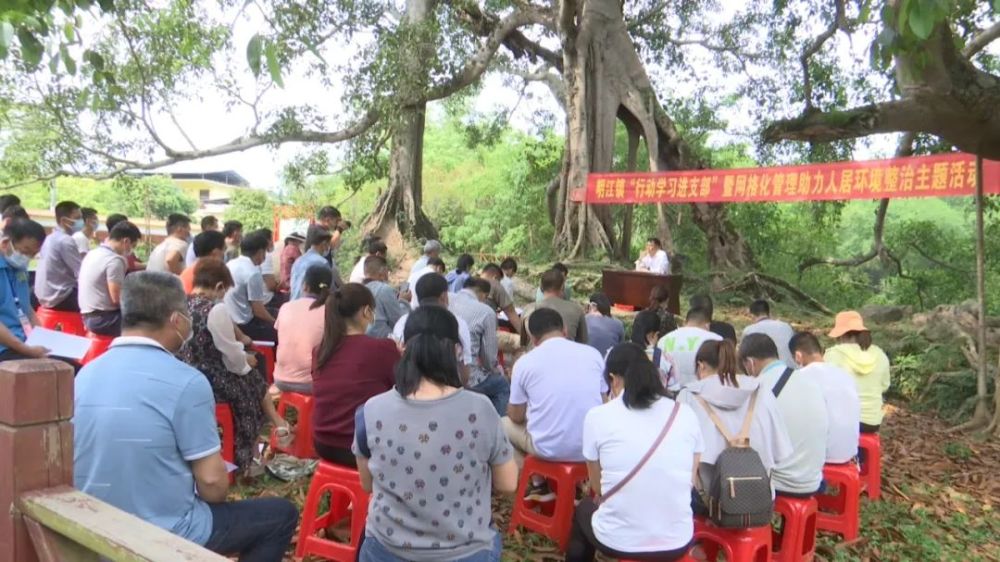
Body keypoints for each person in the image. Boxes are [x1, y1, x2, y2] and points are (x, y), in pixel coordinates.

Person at [74, 272, 298, 560]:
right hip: (161, 534)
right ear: (176, 320)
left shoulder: (86, 374)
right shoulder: (186, 381)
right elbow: (213, 486)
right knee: (280, 516)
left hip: (92, 527)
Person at [353, 305, 518, 562]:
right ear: (456, 350)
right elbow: (508, 484)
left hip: (386, 550)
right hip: (466, 551)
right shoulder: (481, 408)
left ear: (403, 347)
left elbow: (367, 484)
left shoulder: (371, 410)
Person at [567, 343, 703, 562]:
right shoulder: (685, 414)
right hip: (677, 539)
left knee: (584, 509)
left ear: (614, 378)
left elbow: (597, 487)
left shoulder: (599, 416)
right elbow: (690, 481)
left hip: (618, 541)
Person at [181, 259, 290, 478]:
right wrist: (246, 361)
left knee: (253, 378)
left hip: (188, 373)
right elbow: (231, 354)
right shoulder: (215, 309)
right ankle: (248, 455)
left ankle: (275, 427)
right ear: (219, 286)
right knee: (254, 382)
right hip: (213, 379)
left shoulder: (183, 304)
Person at [505, 308, 607, 497]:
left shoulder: (525, 363)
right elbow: (603, 403)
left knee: (502, 424)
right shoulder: (593, 354)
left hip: (548, 449)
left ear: (533, 339)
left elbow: (516, 416)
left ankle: (537, 482)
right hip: (592, 447)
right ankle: (575, 487)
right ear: (565, 330)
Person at [678, 339, 792, 501]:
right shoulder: (761, 390)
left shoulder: (689, 395)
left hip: (708, 500)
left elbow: (678, 455)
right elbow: (780, 452)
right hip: (759, 499)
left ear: (701, 366)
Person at [313, 283, 400, 467]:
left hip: (323, 441)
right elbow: (401, 389)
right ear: (366, 311)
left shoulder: (320, 351)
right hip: (359, 448)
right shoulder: (382, 348)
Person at [740, 333, 827, 497]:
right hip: (813, 480)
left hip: (782, 483)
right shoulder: (806, 379)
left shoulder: (760, 386)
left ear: (750, 363)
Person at [790, 332, 861, 464]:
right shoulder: (844, 374)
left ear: (798, 356)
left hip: (821, 454)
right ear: (821, 351)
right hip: (850, 450)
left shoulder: (800, 377)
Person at [449, 276, 510, 414]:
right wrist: (498, 370)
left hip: (442, 373)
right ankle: (499, 429)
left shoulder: (448, 299)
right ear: (483, 294)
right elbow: (489, 358)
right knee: (502, 385)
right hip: (466, 376)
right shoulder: (486, 312)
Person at [824, 311, 891, 434]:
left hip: (844, 421)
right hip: (872, 422)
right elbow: (885, 386)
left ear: (841, 335)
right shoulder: (880, 355)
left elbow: (824, 387)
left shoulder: (834, 354)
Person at [392, 273, 474, 373]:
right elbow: (464, 367)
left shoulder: (402, 322)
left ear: (416, 296)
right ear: (444, 296)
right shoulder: (457, 323)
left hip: (410, 382)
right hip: (448, 384)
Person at [273, 265, 331, 395]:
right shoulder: (330, 312)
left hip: (280, 379)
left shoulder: (285, 307)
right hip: (310, 383)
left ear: (305, 286)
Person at [78, 220, 141, 337]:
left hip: (87, 316)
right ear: (126, 241)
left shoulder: (93, 253)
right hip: (103, 319)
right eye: (133, 246)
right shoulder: (115, 260)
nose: (131, 251)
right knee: (150, 324)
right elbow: (117, 299)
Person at [0, 219, 47, 361]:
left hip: (25, 342)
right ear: (6, 243)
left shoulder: (20, 269)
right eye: (25, 251)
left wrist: (44, 338)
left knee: (73, 368)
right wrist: (26, 349)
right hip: (6, 347)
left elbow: (27, 308)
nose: (27, 257)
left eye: (33, 254)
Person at [224, 230, 278, 342]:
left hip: (229, 320)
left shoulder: (230, 264)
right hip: (245, 325)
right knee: (280, 332)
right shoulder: (253, 272)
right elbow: (258, 311)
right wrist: (275, 322)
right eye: (265, 252)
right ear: (260, 252)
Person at [35, 200, 84, 311]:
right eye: (77, 218)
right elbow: (81, 272)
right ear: (63, 220)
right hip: (61, 296)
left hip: (45, 296)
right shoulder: (65, 240)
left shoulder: (50, 238)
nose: (81, 222)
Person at [657, 307, 722, 390]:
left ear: (685, 322)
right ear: (707, 325)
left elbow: (659, 372)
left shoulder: (663, 340)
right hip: (703, 395)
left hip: (671, 396)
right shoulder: (716, 340)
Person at [523, 268, 587, 345]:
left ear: (541, 287)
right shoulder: (576, 309)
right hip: (567, 353)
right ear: (562, 287)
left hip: (539, 353)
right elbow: (583, 342)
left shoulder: (529, 309)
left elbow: (524, 342)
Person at [363, 256, 409, 339]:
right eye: (387, 271)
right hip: (381, 339)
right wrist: (403, 301)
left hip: (364, 338)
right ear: (382, 273)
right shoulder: (383, 289)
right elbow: (397, 320)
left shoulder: (358, 289)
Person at [743, 300, 796, 368]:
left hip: (769, 372)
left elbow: (744, 357)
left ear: (752, 315)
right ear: (769, 313)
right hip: (792, 369)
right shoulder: (786, 326)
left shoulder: (749, 330)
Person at [289, 227, 336, 300]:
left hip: (293, 304)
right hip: (310, 306)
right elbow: (330, 289)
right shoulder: (322, 263)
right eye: (328, 245)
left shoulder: (298, 261)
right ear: (324, 244)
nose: (328, 248)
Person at [480, 263, 522, 334]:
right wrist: (525, 338)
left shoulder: (469, 282)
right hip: (487, 332)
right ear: (495, 277)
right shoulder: (495, 284)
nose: (499, 283)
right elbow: (511, 312)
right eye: (499, 280)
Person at [585, 292, 624, 357]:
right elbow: (621, 348)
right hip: (609, 364)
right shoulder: (618, 324)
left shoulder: (585, 319)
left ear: (593, 306)